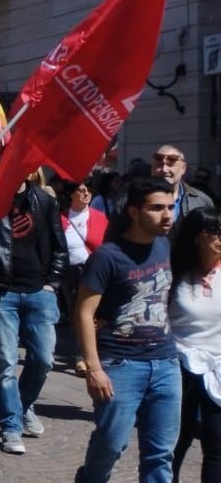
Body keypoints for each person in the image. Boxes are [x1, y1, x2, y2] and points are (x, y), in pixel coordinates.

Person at [0, 160, 69, 454]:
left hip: (39, 293)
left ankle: (24, 405)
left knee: (43, 359)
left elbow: (59, 245)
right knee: (5, 362)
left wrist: (53, 282)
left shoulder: (43, 200)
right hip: (0, 295)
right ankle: (10, 426)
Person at [74, 177, 180, 482]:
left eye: (170, 207)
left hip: (165, 364)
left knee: (161, 453)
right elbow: (84, 311)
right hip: (121, 365)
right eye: (157, 208)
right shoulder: (108, 256)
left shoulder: (165, 245)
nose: (167, 215)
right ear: (134, 211)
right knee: (111, 443)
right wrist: (94, 367)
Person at [171, 205, 221, 482]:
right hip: (180, 367)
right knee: (176, 441)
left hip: (218, 369)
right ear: (195, 237)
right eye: (214, 232)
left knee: (216, 446)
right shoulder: (175, 275)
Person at [60, 179, 109, 375]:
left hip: (94, 270)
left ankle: (95, 352)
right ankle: (80, 355)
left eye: (88, 190)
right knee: (77, 312)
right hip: (70, 271)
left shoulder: (99, 217)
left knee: (96, 312)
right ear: (71, 194)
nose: (85, 194)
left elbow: (107, 243)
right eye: (80, 190)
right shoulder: (61, 218)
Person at [155, 145, 214, 220]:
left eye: (171, 164)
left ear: (183, 168)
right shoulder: (138, 197)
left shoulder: (202, 200)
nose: (164, 169)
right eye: (159, 164)